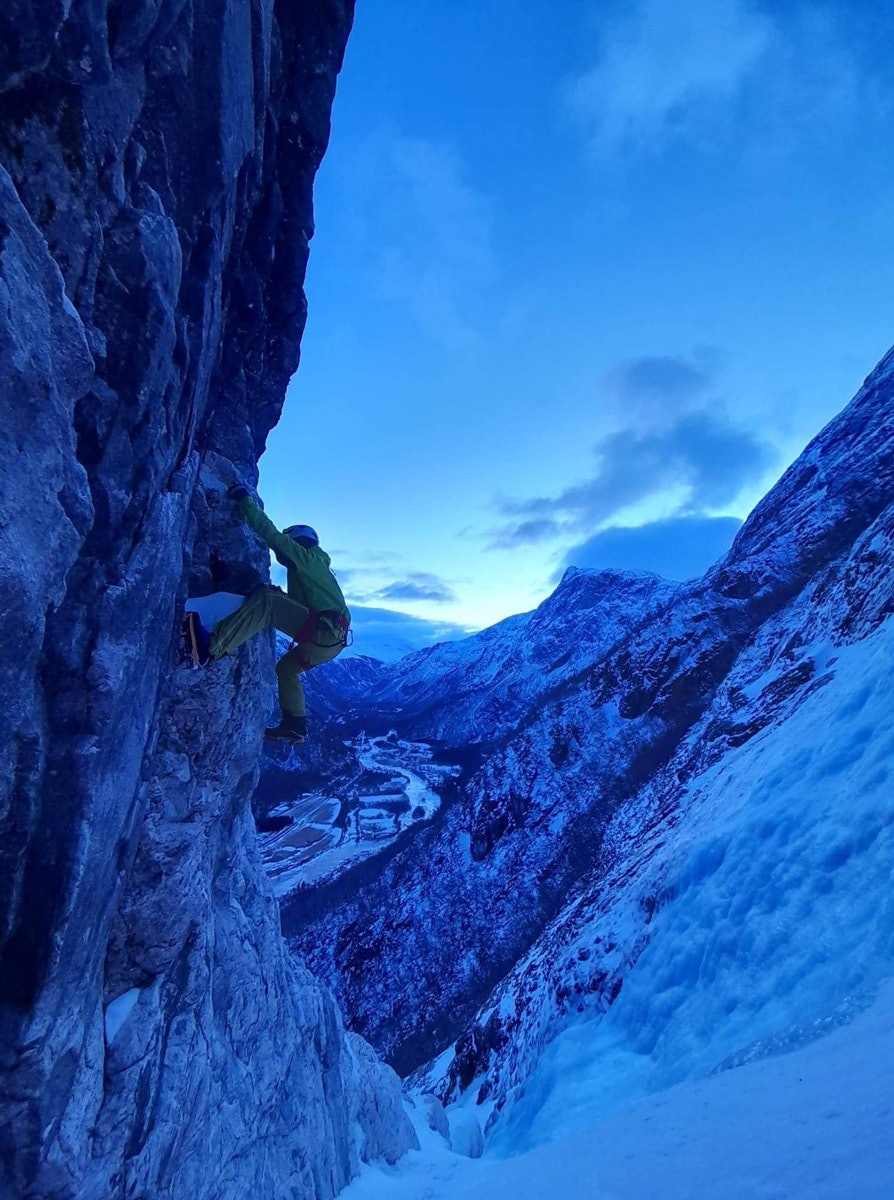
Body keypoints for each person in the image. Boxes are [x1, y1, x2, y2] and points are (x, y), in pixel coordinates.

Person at [189, 484, 351, 743]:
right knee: (286, 668)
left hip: (321, 631)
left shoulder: (305, 557)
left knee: (267, 600)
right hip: (330, 641)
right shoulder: (314, 567)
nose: (283, 554)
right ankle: (295, 725)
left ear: (298, 541)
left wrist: (244, 501)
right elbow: (305, 607)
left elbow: (271, 535)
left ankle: (211, 648)